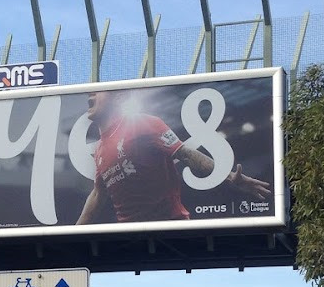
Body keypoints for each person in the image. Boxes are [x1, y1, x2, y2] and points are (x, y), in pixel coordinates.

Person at [75, 88, 272, 225]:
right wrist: (72, 234)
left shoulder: (143, 124)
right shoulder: (100, 149)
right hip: (132, 234)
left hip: (169, 226)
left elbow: (185, 154)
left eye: (100, 90)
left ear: (117, 98)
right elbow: (98, 193)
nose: (91, 93)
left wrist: (228, 177)